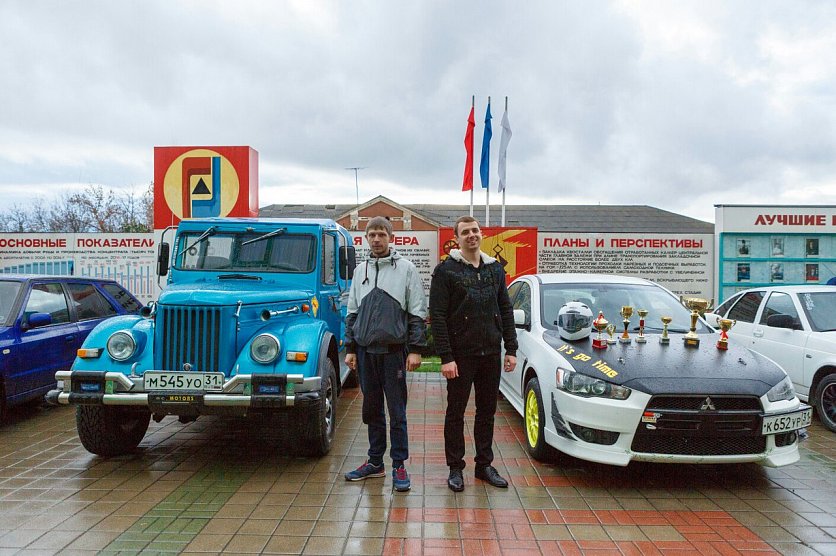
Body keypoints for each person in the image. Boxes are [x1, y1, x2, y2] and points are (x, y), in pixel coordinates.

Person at [429, 215, 518, 492]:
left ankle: (484, 466)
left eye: (475, 230)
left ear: (482, 234)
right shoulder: (446, 271)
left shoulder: (495, 270)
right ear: (456, 238)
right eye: (465, 232)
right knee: (456, 412)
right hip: (460, 356)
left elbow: (505, 309)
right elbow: (438, 316)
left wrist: (511, 348)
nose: (472, 235)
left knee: (486, 412)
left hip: (490, 352)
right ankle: (455, 468)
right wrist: (446, 357)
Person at [343, 216, 427, 492]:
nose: (377, 239)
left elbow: (417, 311)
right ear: (366, 238)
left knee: (397, 411)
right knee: (372, 409)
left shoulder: (406, 269)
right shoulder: (360, 270)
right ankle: (375, 462)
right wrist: (351, 348)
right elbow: (352, 311)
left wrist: (416, 349)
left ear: (391, 237)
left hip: (393, 353)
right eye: (372, 235)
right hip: (366, 353)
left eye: (381, 234)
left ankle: (399, 464)